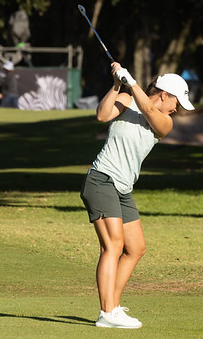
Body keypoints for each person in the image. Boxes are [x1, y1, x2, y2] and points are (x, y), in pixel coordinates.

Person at [80, 61, 194, 329]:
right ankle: (107, 312)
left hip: (123, 188)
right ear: (164, 93)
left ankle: (113, 307)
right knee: (113, 246)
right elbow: (102, 115)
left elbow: (148, 108)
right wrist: (117, 84)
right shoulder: (125, 98)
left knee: (136, 248)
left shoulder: (164, 122)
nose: (177, 108)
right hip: (101, 180)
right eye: (176, 101)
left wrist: (131, 80)